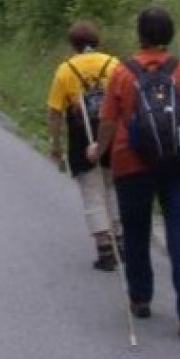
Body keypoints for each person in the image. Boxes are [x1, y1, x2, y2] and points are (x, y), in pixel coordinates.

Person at [86, 6, 180, 344]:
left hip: (133, 163)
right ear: (170, 34)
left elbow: (108, 121)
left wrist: (97, 149)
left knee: (136, 230)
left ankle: (140, 298)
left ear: (139, 35)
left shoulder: (122, 72)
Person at [46, 20, 122, 271]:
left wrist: (55, 143)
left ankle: (105, 250)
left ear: (73, 44)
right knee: (112, 187)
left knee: (92, 191)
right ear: (96, 40)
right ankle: (121, 240)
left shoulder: (65, 70)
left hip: (82, 136)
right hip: (113, 133)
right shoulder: (113, 64)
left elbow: (55, 112)